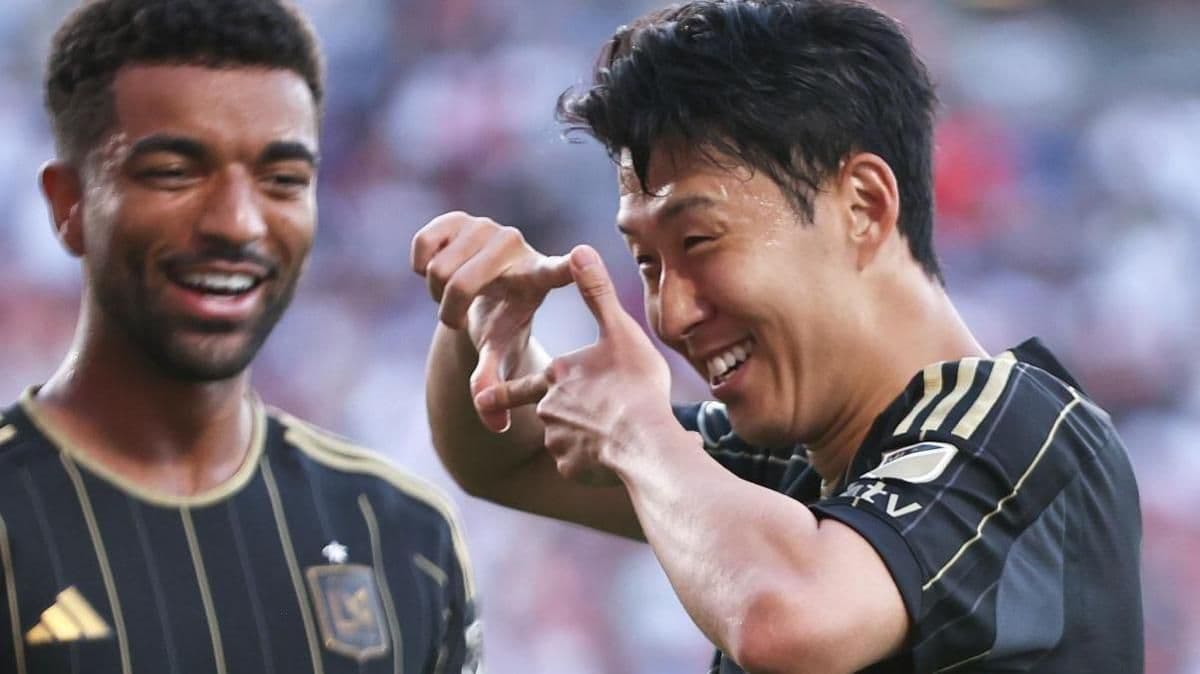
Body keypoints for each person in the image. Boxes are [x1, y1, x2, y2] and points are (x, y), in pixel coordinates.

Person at [412, 0, 1142, 672]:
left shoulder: (1024, 428)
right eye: (646, 263)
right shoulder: (787, 458)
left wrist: (638, 432)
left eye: (697, 241)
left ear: (862, 206)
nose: (669, 316)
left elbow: (786, 621)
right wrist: (484, 327)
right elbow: (509, 458)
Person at [0, 1, 481, 673]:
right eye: (174, 171)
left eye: (283, 180)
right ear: (68, 205)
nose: (237, 223)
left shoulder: (401, 535)